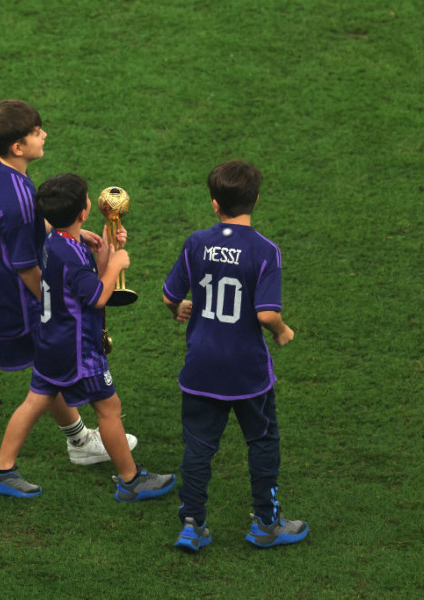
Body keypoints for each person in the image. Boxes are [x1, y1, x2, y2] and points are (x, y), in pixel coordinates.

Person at [0, 99, 135, 467]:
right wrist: (51, 302)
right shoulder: (17, 197)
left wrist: (69, 230)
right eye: (36, 132)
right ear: (18, 146)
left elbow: (17, 225)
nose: (44, 134)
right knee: (50, 365)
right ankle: (79, 441)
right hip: (11, 298)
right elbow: (25, 264)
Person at [0, 174, 176, 500]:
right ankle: (131, 481)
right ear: (83, 212)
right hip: (78, 349)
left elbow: (83, 280)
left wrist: (107, 246)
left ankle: (0, 470)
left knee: (34, 402)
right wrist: (116, 264)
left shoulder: (56, 242)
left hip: (51, 340)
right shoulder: (72, 253)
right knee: (109, 408)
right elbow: (96, 296)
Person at [162, 160, 308, 551]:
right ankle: (266, 523)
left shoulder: (196, 242)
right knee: (262, 441)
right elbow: (266, 314)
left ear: (215, 204)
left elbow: (170, 295)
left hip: (201, 366)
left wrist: (178, 308)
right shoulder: (265, 251)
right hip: (247, 372)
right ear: (256, 199)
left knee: (198, 446)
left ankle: (192, 525)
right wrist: (282, 330)